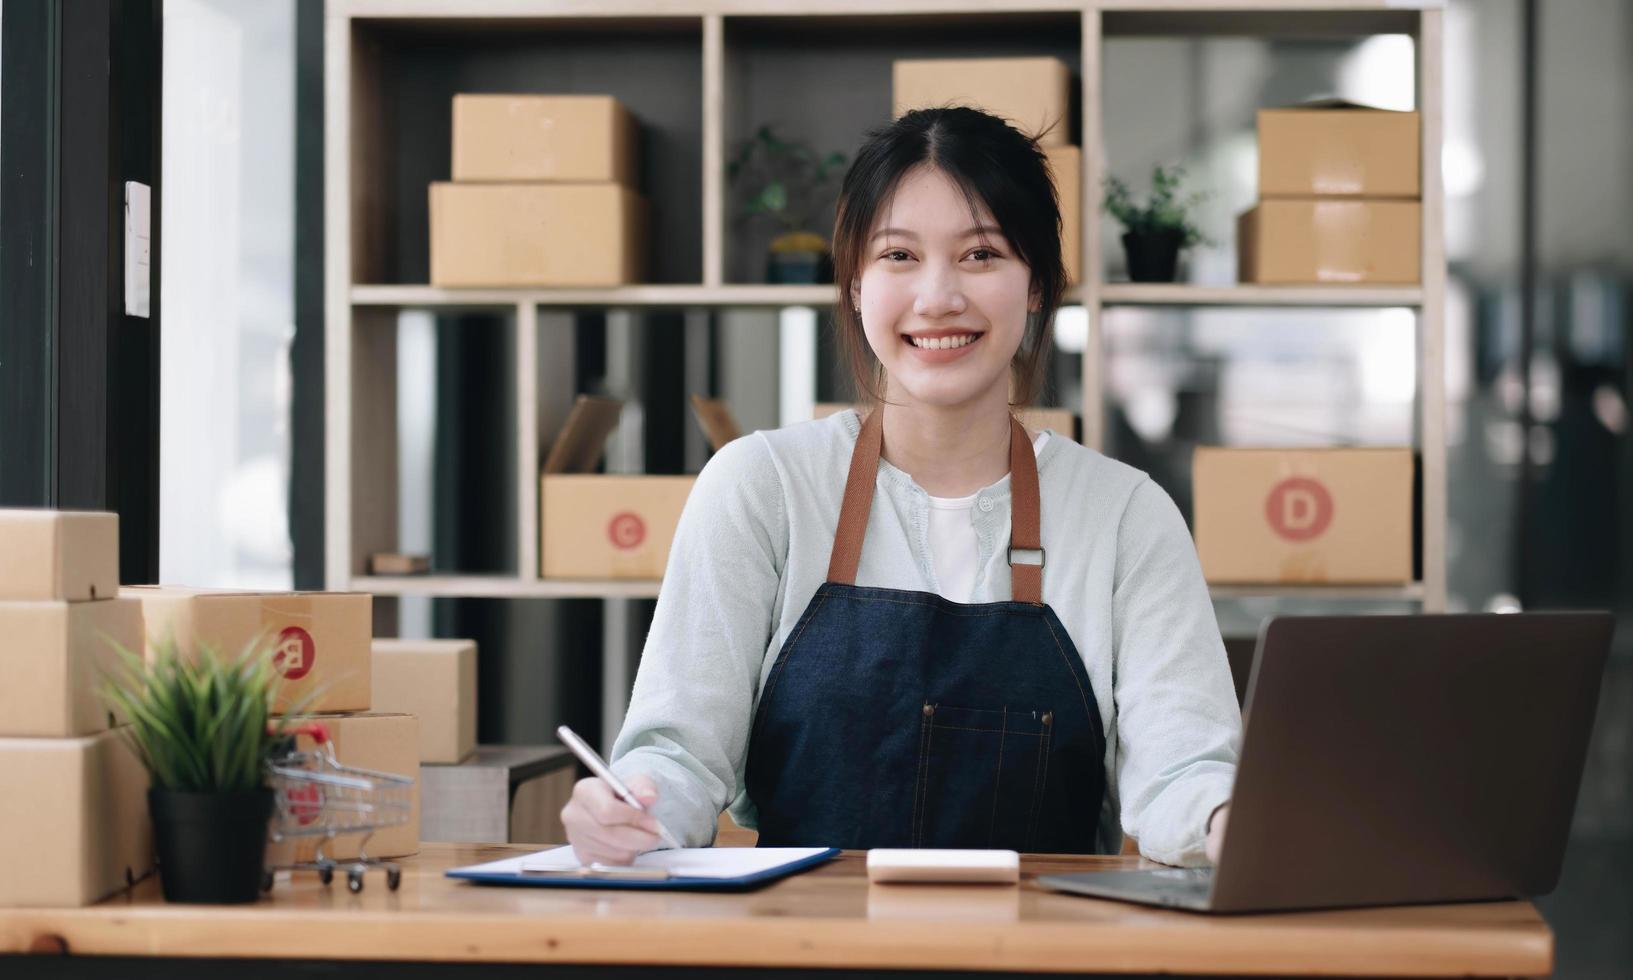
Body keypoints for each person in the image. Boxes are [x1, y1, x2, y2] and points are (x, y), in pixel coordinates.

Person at [562, 107, 1240, 868]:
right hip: (805, 943)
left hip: (1041, 952)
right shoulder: (761, 488)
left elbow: (1184, 770)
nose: (938, 296)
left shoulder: (1124, 516)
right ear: (853, 284)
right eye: (898, 256)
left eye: (981, 254)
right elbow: (680, 756)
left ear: (1039, 285)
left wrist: (1227, 821)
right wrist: (630, 808)